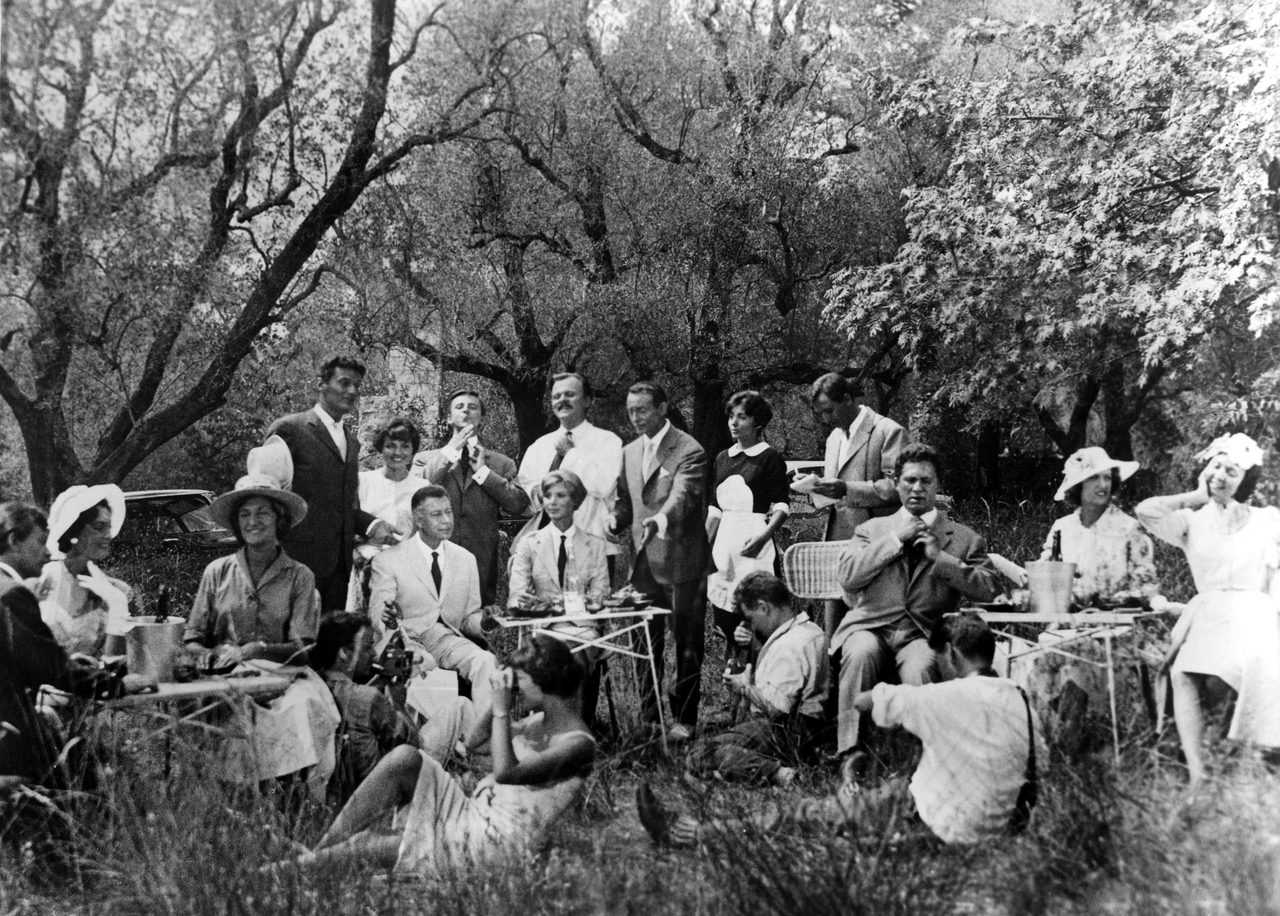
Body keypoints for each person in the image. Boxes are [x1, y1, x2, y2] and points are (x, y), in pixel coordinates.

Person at [639, 613, 1041, 847]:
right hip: (996, 823)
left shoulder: (944, 696)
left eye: (939, 659)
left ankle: (690, 833)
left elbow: (866, 701)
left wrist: (903, 698)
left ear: (951, 653)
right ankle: (861, 800)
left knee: (802, 814)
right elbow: (1035, 774)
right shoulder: (1022, 699)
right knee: (892, 785)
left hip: (939, 823)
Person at [292, 634, 595, 875]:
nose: (513, 689)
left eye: (518, 683)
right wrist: (496, 702)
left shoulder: (578, 745)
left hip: (494, 844)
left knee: (371, 845)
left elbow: (506, 773)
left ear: (544, 682)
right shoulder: (535, 724)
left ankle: (285, 871)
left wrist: (503, 708)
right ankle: (321, 849)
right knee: (405, 758)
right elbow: (475, 741)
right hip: (474, 814)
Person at [1, 502, 154, 882]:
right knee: (96, 768)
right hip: (10, 738)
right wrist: (115, 684)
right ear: (13, 540)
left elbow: (25, 659)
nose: (47, 550)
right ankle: (91, 872)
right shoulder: (11, 594)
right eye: (38, 541)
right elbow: (48, 667)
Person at [184, 439, 339, 790]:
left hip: (285, 677)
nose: (254, 522)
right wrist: (216, 658)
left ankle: (298, 797)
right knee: (228, 714)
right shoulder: (217, 572)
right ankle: (233, 799)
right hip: (227, 678)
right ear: (237, 524)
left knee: (305, 708)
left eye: (263, 513)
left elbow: (304, 647)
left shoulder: (299, 576)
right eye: (245, 514)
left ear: (279, 519)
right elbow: (192, 639)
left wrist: (260, 650)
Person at [832, 443, 998, 759]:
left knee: (921, 667)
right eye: (909, 480)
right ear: (896, 484)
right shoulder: (871, 530)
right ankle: (849, 753)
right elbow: (848, 577)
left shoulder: (963, 538)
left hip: (924, 632)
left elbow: (990, 588)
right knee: (860, 652)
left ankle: (919, 758)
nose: (917, 488)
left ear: (938, 485)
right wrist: (895, 539)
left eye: (926, 481)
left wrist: (942, 558)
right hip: (871, 627)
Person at [1136, 433, 1280, 787]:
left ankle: (1235, 761)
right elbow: (1146, 511)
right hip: (1208, 611)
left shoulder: (1267, 520)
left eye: (1232, 471)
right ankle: (1200, 775)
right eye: (1216, 466)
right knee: (1183, 673)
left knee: (1225, 674)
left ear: (1245, 480)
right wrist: (1196, 497)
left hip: (1253, 613)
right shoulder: (1190, 520)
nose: (1221, 475)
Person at [607, 381, 713, 742]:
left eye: (643, 410)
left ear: (663, 408)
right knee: (642, 647)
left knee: (686, 645)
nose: (635, 417)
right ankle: (650, 721)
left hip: (683, 565)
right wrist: (614, 520)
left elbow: (684, 494)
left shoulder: (690, 449)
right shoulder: (628, 451)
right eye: (631, 410)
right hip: (641, 567)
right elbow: (626, 501)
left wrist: (662, 519)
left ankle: (685, 721)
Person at [267, 354, 397, 612]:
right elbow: (266, 498)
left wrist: (372, 524)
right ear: (321, 384)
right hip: (294, 564)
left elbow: (342, 505)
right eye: (344, 383)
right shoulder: (290, 430)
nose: (352, 391)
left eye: (357, 386)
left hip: (339, 568)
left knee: (328, 644)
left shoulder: (351, 441)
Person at [687, 573, 827, 787]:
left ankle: (781, 774)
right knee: (714, 733)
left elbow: (776, 710)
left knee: (700, 753)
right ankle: (735, 770)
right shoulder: (810, 630)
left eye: (751, 618)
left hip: (787, 731)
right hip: (811, 731)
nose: (753, 626)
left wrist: (744, 687)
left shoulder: (789, 646)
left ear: (764, 607)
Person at [368, 485, 499, 714]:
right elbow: (377, 616)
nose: (446, 520)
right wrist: (388, 620)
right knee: (424, 665)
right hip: (405, 640)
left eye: (448, 512)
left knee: (486, 662)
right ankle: (439, 739)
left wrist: (485, 623)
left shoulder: (465, 559)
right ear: (418, 520)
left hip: (447, 639)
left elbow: (469, 617)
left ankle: (483, 736)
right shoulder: (388, 560)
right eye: (436, 514)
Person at [807, 372, 905, 641]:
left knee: (874, 633)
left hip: (876, 547)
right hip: (838, 549)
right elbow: (835, 495)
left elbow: (899, 488)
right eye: (821, 414)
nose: (826, 420)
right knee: (834, 635)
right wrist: (815, 489)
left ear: (848, 399)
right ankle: (834, 682)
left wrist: (847, 489)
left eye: (829, 411)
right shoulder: (833, 440)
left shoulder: (888, 431)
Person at [508, 469, 611, 723]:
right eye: (547, 495)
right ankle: (552, 730)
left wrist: (561, 604)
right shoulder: (530, 544)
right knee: (557, 655)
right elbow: (515, 598)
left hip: (583, 629)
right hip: (544, 629)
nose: (552, 502)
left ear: (575, 501)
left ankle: (572, 733)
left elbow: (600, 597)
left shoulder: (595, 545)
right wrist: (528, 604)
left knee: (573, 654)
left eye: (561, 495)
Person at [997, 447, 1158, 604]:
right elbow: (1044, 580)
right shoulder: (1062, 527)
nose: (1103, 485)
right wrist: (1000, 563)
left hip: (1115, 624)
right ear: (1077, 486)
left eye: (1107, 477)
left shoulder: (1129, 528)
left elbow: (1147, 589)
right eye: (1094, 477)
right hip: (1065, 625)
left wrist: (1117, 601)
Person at [415, 389, 530, 606]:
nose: (466, 410)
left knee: (476, 630)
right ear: (449, 418)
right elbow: (419, 489)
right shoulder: (425, 460)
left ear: (483, 419)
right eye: (459, 407)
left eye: (472, 407)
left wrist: (484, 472)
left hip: (480, 562)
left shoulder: (501, 463)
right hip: (435, 556)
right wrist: (451, 451)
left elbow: (518, 504)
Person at [705, 391, 791, 652]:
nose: (733, 422)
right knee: (725, 616)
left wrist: (763, 537)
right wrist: (702, 547)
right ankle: (733, 675)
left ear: (758, 422)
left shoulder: (771, 459)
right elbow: (715, 509)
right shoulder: (722, 458)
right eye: (731, 416)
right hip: (724, 546)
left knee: (755, 616)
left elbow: (781, 506)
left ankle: (760, 675)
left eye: (741, 417)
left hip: (755, 544)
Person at [516, 371, 623, 575]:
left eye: (570, 394)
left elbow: (603, 486)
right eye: (557, 396)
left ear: (587, 400)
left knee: (593, 606)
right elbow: (531, 496)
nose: (562, 400)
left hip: (594, 548)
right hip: (545, 550)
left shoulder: (608, 442)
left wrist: (572, 455)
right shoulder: (539, 447)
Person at [31, 484, 134, 658]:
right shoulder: (38, 581)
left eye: (109, 527)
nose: (109, 535)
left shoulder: (118, 590)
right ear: (73, 528)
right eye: (99, 526)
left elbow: (116, 662)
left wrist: (117, 604)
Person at [348, 418, 430, 611]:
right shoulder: (363, 482)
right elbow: (350, 524)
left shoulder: (422, 487)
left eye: (405, 446)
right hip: (365, 565)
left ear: (413, 450)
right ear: (381, 449)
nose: (398, 453)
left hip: (407, 569)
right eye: (390, 446)